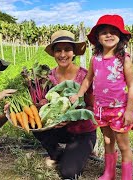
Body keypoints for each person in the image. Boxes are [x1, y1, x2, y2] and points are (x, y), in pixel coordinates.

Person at [70, 14, 133, 180]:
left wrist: (129, 111)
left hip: (119, 110)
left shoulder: (123, 60)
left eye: (113, 31)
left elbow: (132, 86)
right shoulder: (95, 59)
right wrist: (78, 95)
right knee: (107, 141)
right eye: (104, 32)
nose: (108, 35)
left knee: (123, 145)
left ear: (120, 36)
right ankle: (109, 173)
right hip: (100, 109)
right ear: (98, 38)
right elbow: (87, 80)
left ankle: (127, 177)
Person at [33, 30, 97, 180]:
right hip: (56, 130)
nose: (63, 54)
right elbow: (41, 105)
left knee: (69, 173)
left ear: (74, 52)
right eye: (58, 50)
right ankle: (56, 153)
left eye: (67, 49)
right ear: (53, 53)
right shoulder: (47, 77)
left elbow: (92, 108)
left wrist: (72, 116)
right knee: (33, 123)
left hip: (82, 131)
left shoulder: (85, 76)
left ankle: (81, 151)